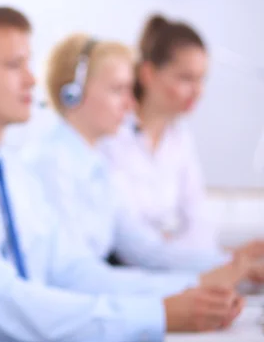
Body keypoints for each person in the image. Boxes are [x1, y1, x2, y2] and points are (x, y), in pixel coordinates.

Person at [0, 2, 245, 342]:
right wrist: (156, 313)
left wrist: (186, 291)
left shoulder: (13, 171)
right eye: (13, 65)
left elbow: (73, 269)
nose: (32, 79)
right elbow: (2, 302)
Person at [22, 33, 264, 279]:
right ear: (72, 93)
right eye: (118, 90)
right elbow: (75, 276)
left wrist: (232, 265)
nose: (130, 104)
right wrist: (179, 295)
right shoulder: (51, 165)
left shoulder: (94, 165)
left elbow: (147, 250)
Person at [100, 14, 264, 266]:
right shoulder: (111, 134)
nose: (198, 91)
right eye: (186, 78)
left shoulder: (180, 137)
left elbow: (199, 222)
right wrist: (216, 259)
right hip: (123, 268)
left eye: (202, 79)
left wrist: (218, 259)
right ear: (148, 73)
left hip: (169, 266)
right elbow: (127, 238)